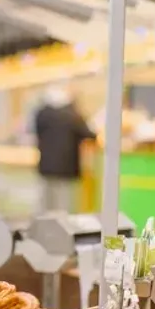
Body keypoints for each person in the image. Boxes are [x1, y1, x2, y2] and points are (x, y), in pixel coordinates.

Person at [34, 84, 96, 214]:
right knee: (63, 207)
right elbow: (89, 134)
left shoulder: (42, 113)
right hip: (66, 168)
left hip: (45, 166)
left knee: (45, 204)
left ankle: (44, 230)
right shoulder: (73, 115)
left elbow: (37, 133)